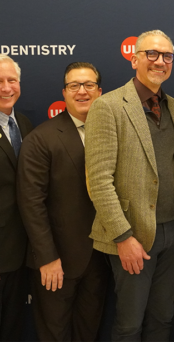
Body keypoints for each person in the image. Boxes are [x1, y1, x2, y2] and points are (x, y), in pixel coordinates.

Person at [85, 30, 174, 342]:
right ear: (134, 59)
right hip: (132, 235)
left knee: (162, 320)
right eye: (152, 54)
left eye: (167, 55)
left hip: (173, 234)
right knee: (129, 325)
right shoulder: (108, 106)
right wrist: (123, 236)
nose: (160, 61)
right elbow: (98, 180)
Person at [17, 62, 110, 342]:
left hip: (99, 260)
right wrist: (47, 257)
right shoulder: (41, 139)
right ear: (64, 92)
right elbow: (31, 203)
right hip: (56, 263)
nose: (82, 91)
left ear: (99, 91)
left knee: (89, 332)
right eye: (74, 86)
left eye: (89, 85)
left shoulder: (111, 134)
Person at [0, 54, 32, 342]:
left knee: (12, 327)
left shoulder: (23, 123)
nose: (7, 87)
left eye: (12, 80)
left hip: (21, 251)